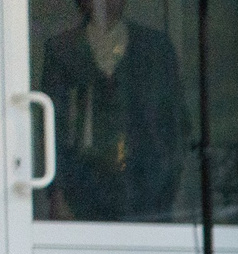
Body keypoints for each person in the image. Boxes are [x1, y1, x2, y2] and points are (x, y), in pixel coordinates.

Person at [41, 0, 188, 224]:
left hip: (146, 189)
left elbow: (174, 123)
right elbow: (50, 129)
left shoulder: (154, 47)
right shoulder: (62, 49)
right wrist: (57, 192)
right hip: (82, 188)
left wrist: (167, 184)